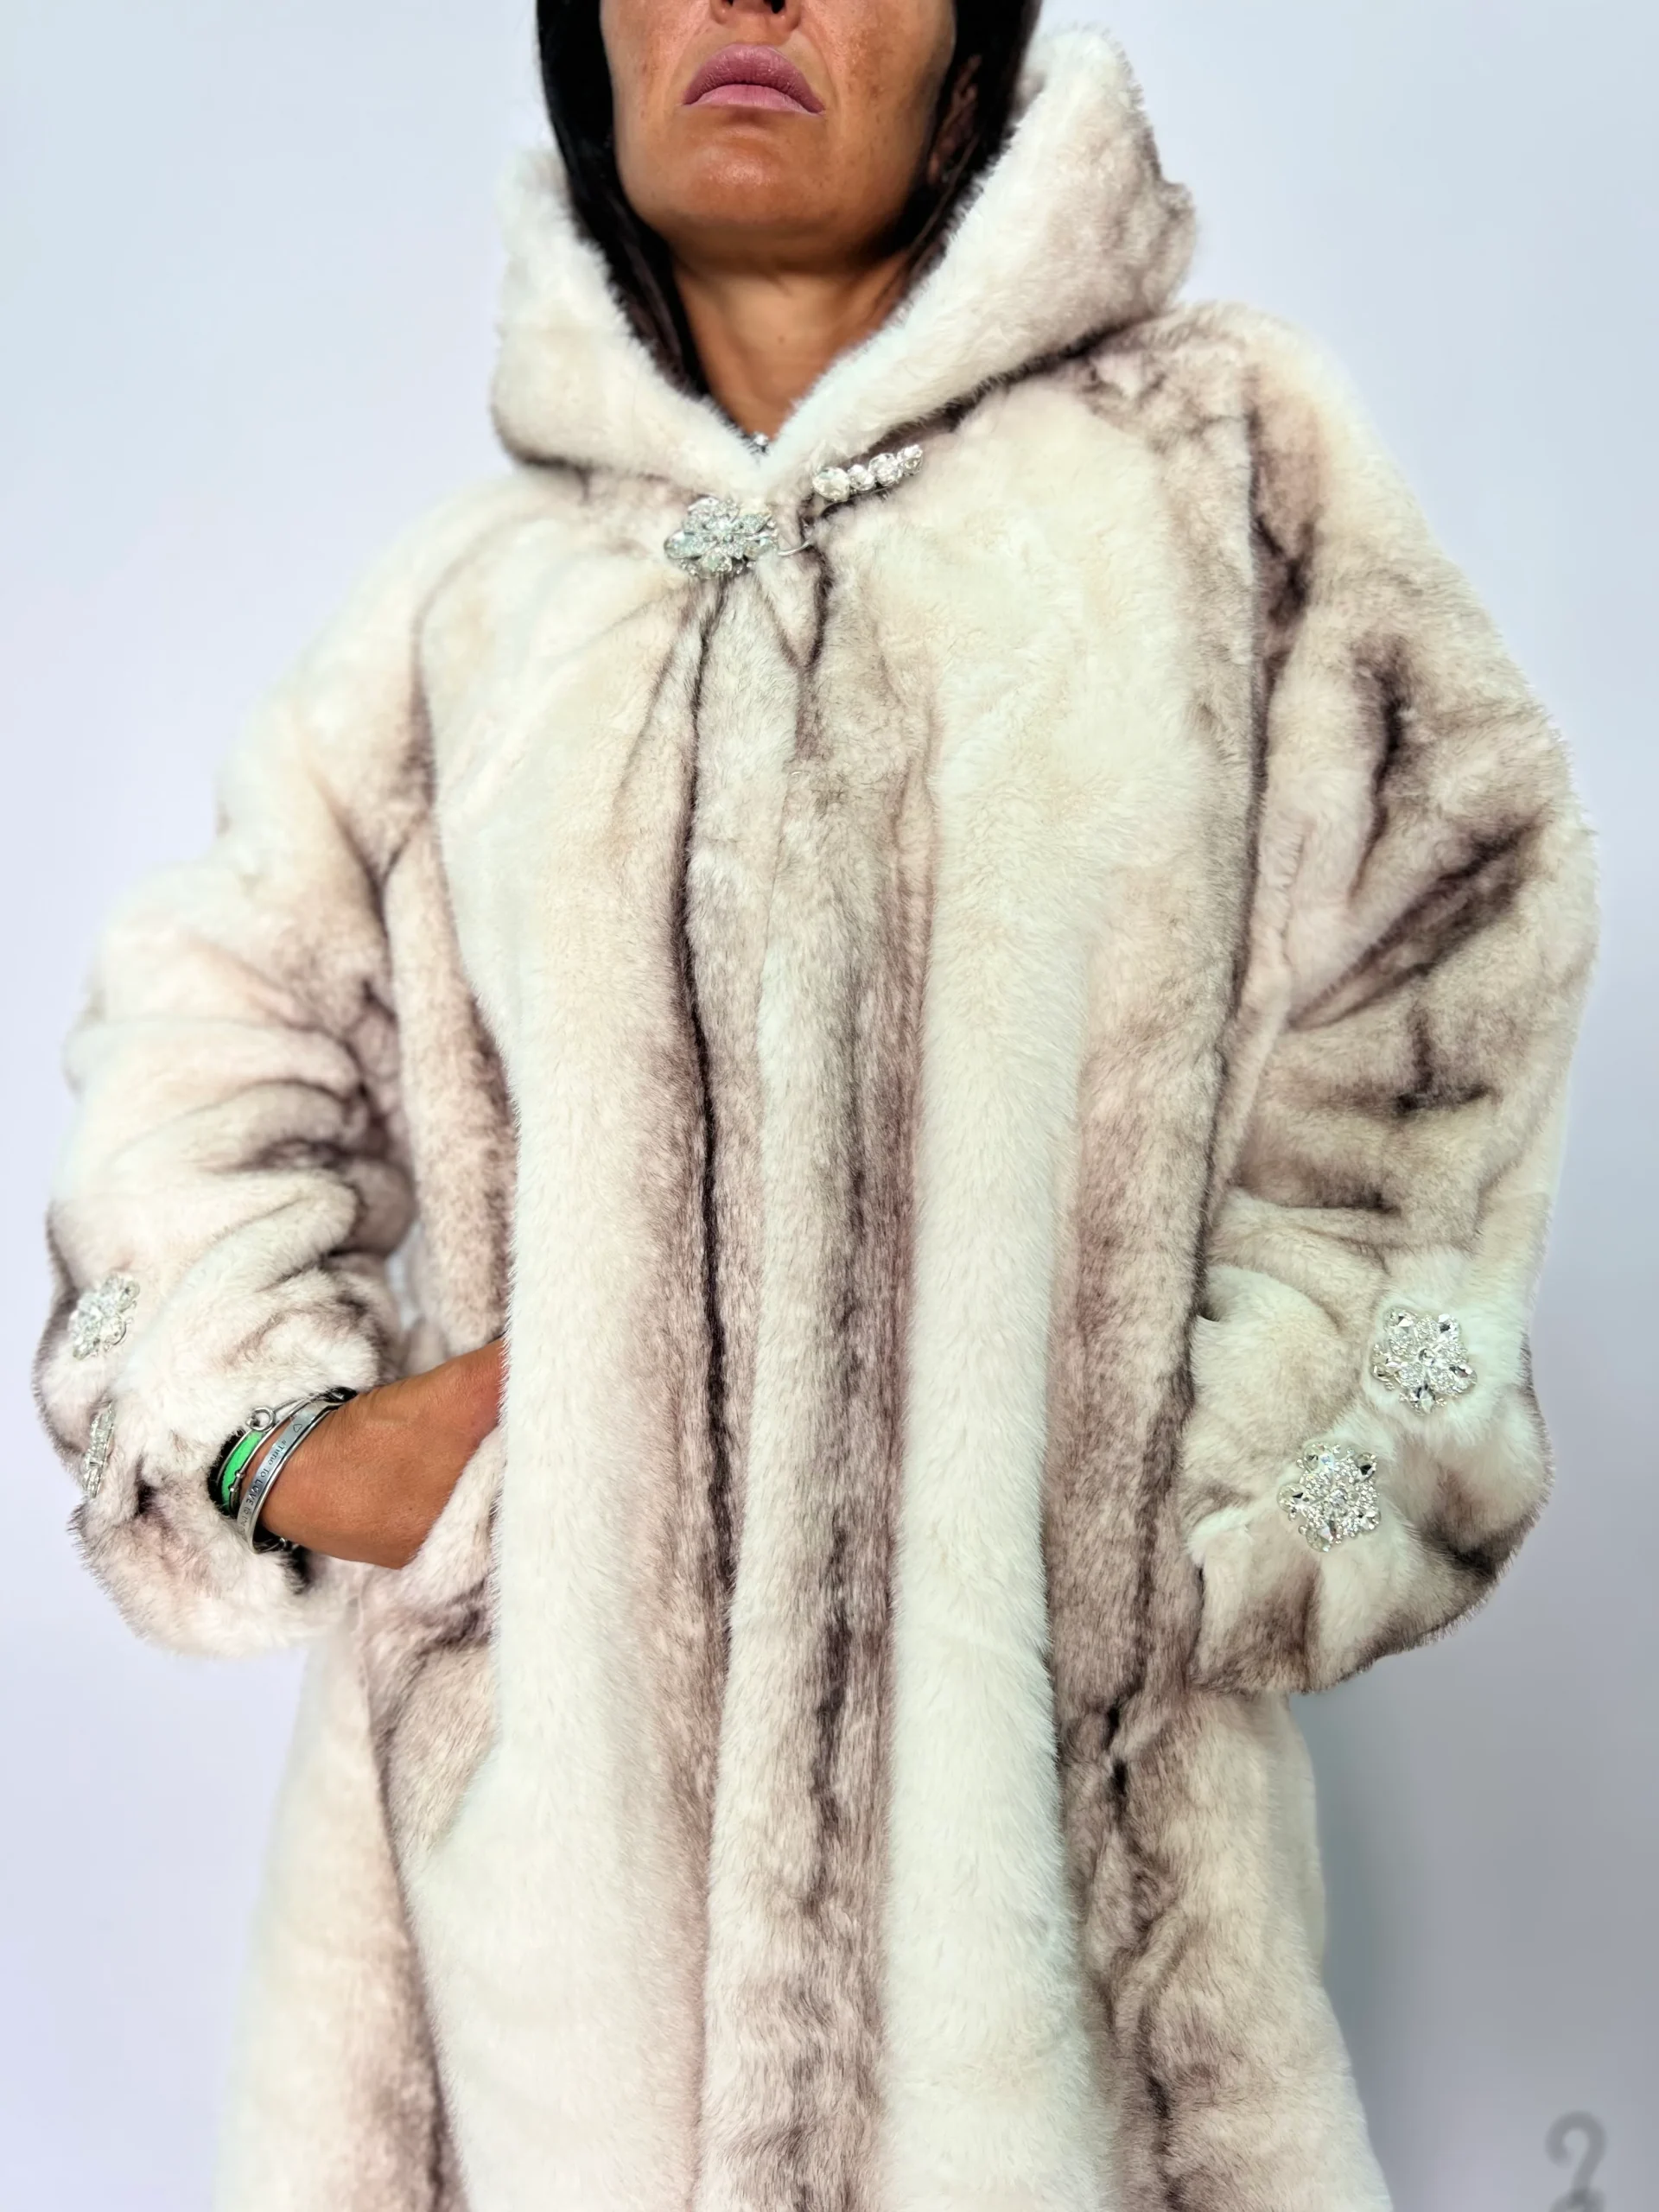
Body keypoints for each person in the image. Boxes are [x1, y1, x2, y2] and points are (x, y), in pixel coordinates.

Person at [35, 2, 1598, 2207]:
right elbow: (199, 1047)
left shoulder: (1221, 483)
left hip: (1066, 1968)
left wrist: (1183, 1510)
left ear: (971, 48)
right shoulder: (464, 625)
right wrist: (276, 1438)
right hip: (518, 2000)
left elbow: (1449, 944)